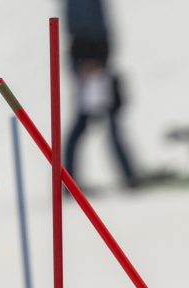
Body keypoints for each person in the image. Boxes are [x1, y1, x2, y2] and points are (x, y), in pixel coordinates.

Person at [64, 0, 140, 190]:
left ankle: (129, 175)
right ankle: (68, 179)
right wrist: (87, 60)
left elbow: (102, 26)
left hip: (98, 60)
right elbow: (79, 25)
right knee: (84, 122)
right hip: (87, 60)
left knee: (110, 120)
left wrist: (102, 58)